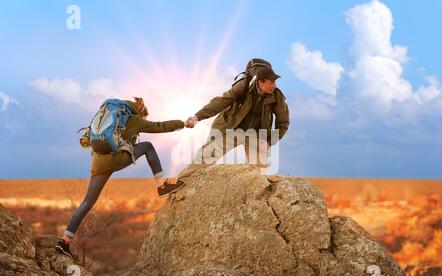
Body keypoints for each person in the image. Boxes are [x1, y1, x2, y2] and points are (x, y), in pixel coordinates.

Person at [55, 97, 188, 258]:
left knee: (87, 202)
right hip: (115, 158)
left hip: (98, 163)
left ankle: (64, 242)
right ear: (141, 111)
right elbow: (159, 127)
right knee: (148, 146)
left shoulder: (109, 114)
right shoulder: (135, 119)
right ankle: (162, 186)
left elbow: (87, 139)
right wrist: (184, 123)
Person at [178, 67, 290, 181]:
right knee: (208, 154)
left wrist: (270, 142)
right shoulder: (243, 86)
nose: (274, 86)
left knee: (260, 171)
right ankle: (183, 181)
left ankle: (259, 195)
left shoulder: (276, 96)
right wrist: (197, 117)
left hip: (255, 135)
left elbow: (283, 123)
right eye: (271, 82)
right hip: (233, 129)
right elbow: (220, 102)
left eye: (275, 82)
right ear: (260, 83)